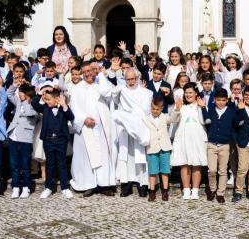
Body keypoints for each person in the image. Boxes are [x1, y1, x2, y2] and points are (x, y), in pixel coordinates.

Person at [69, 62, 116, 196]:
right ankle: (88, 184)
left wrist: (101, 74)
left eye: (90, 71)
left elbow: (107, 93)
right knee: (86, 156)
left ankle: (103, 184)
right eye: (85, 72)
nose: (88, 74)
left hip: (101, 128)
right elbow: (74, 107)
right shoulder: (77, 88)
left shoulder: (100, 84)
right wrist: (84, 119)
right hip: (85, 127)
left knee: (102, 154)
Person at [110, 67, 153, 198]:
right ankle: (126, 186)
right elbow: (112, 95)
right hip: (125, 128)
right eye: (127, 79)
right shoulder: (121, 91)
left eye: (132, 79)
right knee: (126, 157)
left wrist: (134, 120)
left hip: (139, 127)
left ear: (137, 78)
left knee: (141, 157)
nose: (130, 81)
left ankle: (142, 185)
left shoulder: (146, 93)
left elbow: (145, 110)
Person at [33, 86, 75, 199]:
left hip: (61, 141)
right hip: (48, 140)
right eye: (45, 100)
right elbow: (34, 104)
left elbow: (71, 117)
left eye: (49, 99)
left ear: (56, 99)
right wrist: (39, 95)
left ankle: (65, 188)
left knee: (61, 164)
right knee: (50, 165)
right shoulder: (45, 108)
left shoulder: (63, 108)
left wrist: (64, 105)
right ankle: (48, 187)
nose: (47, 102)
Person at [170, 82, 208, 200]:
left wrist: (202, 107)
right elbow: (173, 120)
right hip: (183, 138)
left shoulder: (201, 105)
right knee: (184, 164)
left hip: (197, 138)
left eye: (190, 92)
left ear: (196, 93)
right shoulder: (181, 107)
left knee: (196, 164)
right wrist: (177, 109)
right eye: (186, 93)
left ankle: (195, 190)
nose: (188, 95)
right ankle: (186, 190)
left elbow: (203, 121)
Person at [6, 81, 39, 199]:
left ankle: (26, 187)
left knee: (25, 165)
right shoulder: (19, 102)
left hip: (25, 139)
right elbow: (9, 94)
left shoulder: (35, 106)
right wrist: (14, 84)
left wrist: (25, 100)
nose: (20, 96)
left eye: (23, 94)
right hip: (13, 136)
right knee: (14, 164)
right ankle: (15, 187)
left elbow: (30, 113)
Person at [201, 88, 235, 204]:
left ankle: (221, 193)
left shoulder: (231, 111)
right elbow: (206, 120)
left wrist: (238, 108)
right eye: (218, 100)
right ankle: (212, 189)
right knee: (211, 170)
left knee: (223, 170)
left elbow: (238, 122)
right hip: (212, 144)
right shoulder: (210, 109)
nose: (221, 102)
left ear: (226, 100)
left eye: (223, 100)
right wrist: (202, 107)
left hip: (224, 145)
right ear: (214, 100)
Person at [143, 96, 176, 202]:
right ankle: (151, 191)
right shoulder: (146, 118)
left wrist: (177, 109)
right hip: (152, 148)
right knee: (152, 171)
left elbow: (173, 118)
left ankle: (165, 191)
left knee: (165, 170)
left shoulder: (164, 117)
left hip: (164, 147)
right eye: (153, 108)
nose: (155, 111)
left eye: (157, 109)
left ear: (162, 108)